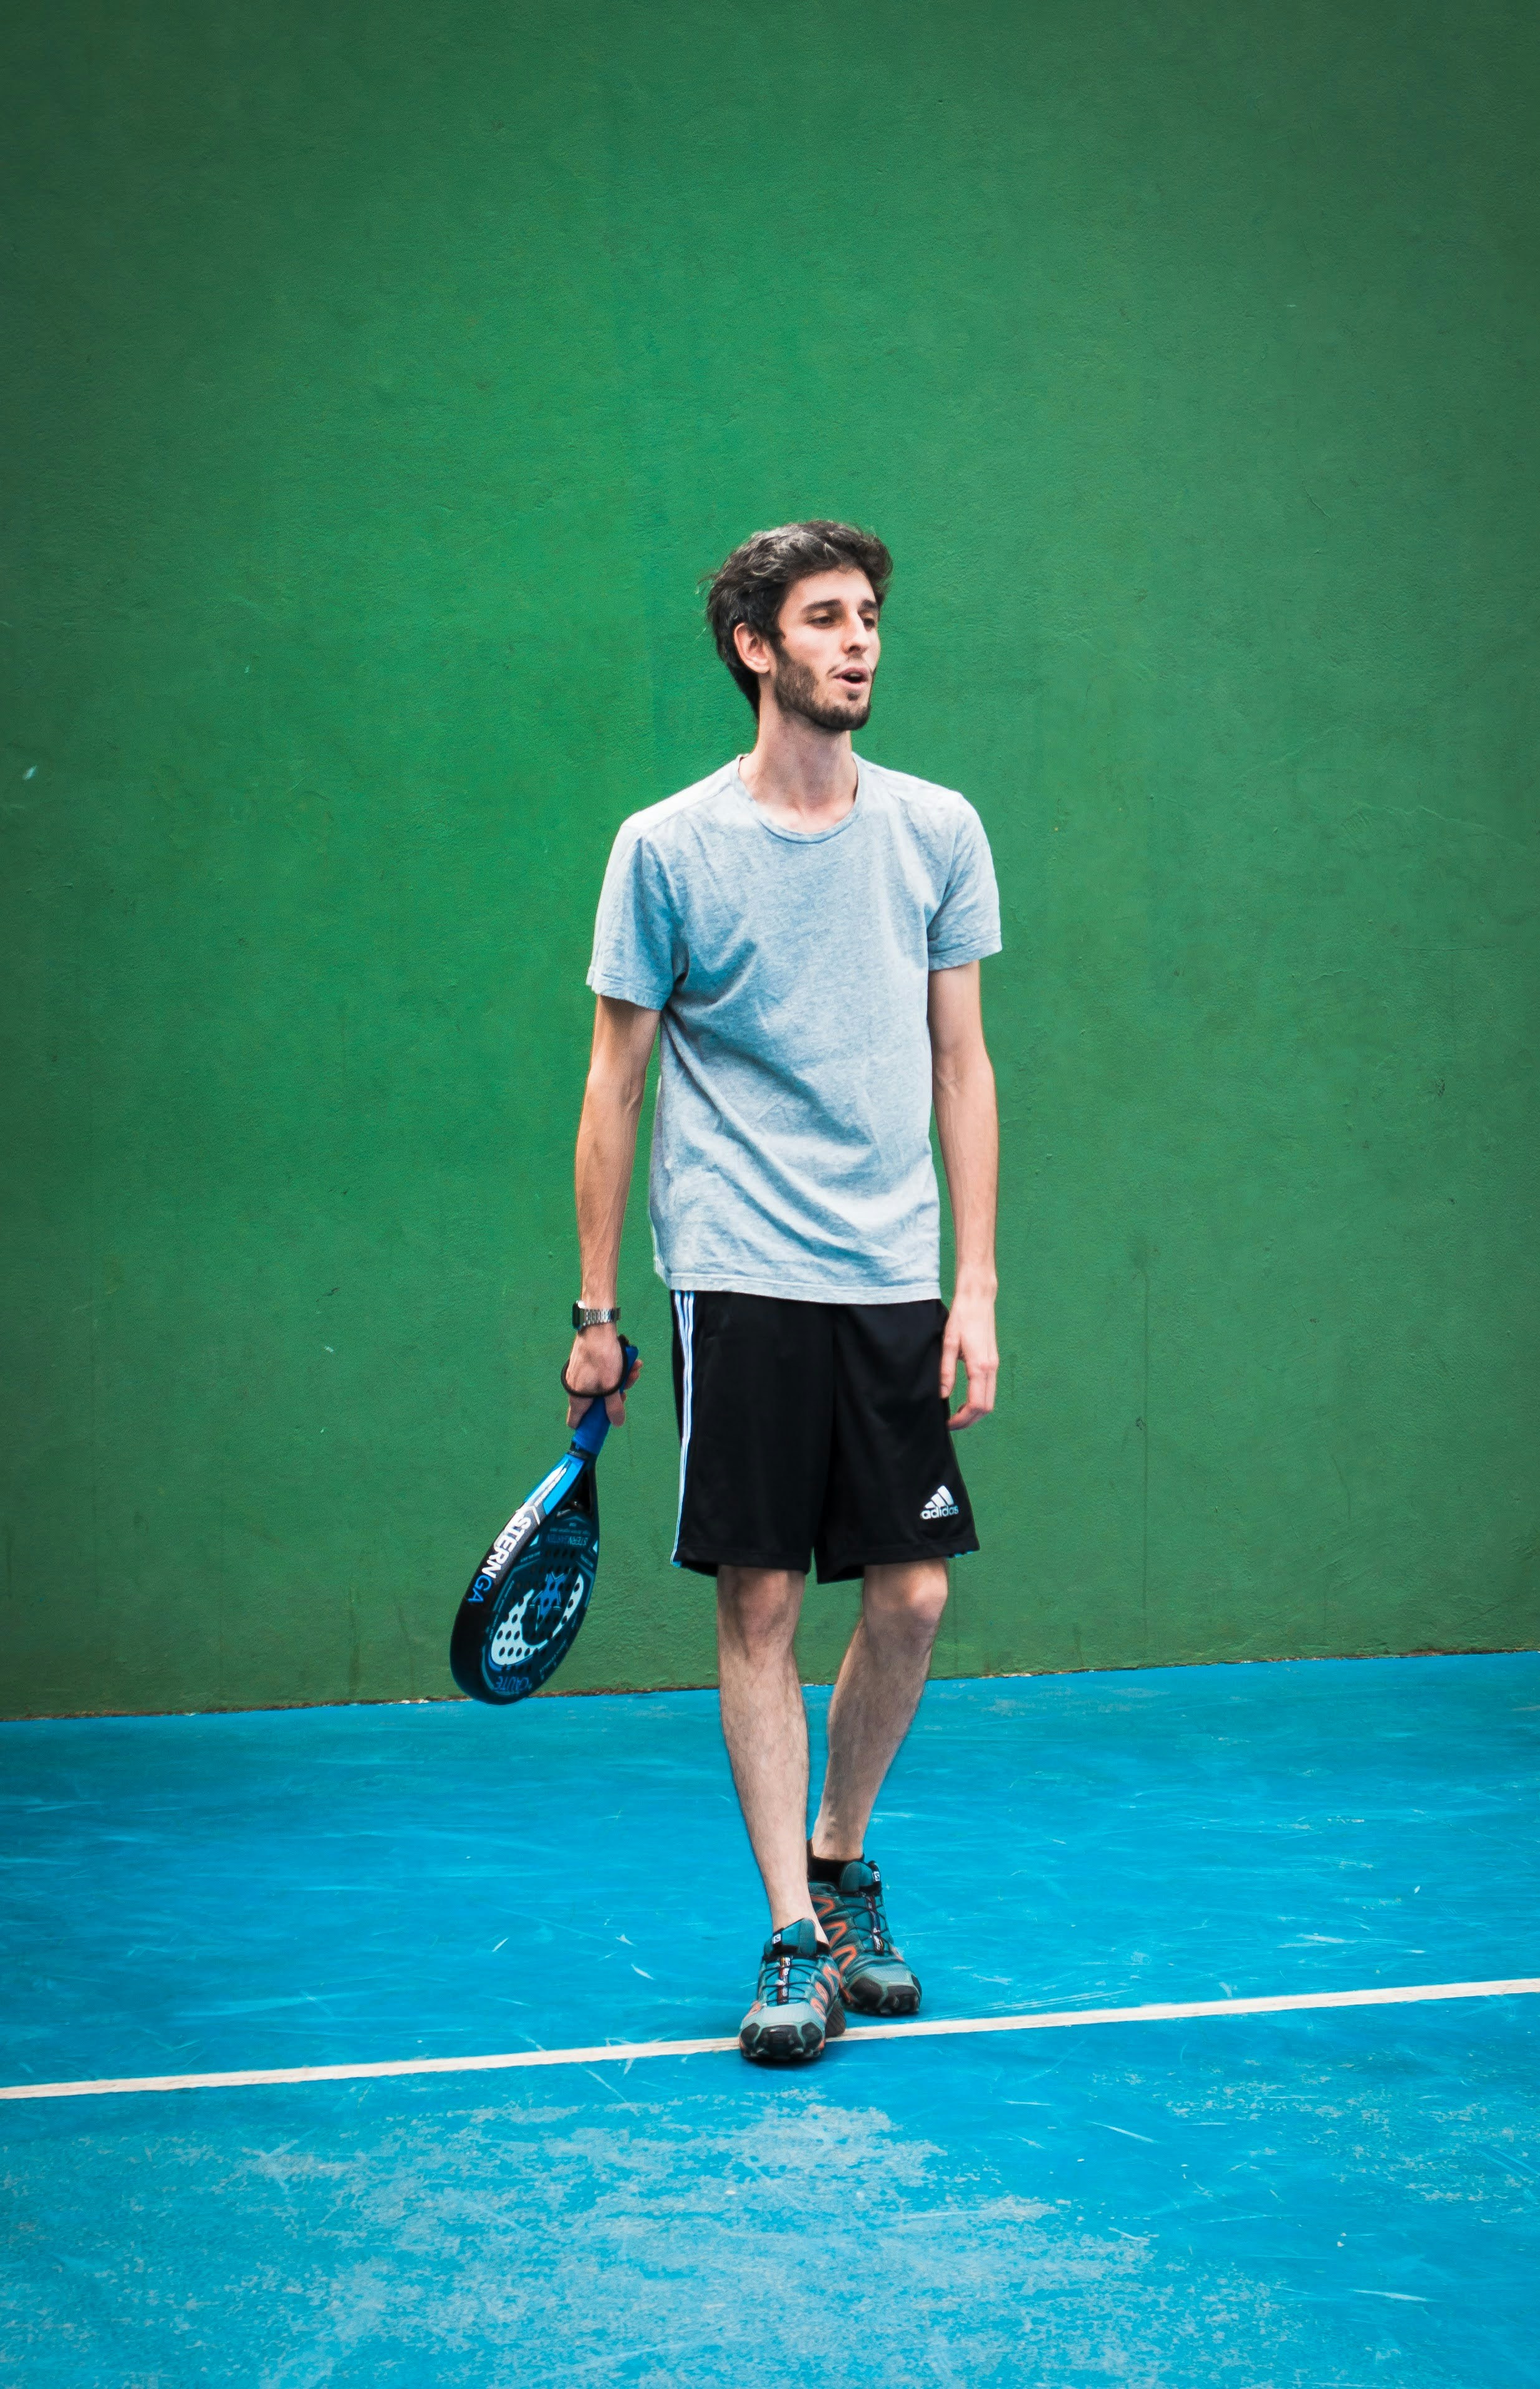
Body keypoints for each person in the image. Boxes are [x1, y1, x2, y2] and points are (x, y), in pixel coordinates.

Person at [563, 520, 1001, 2066]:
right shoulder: (666, 847)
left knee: (916, 1592)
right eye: (826, 619)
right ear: (759, 647)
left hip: (889, 1271)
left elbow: (964, 1061)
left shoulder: (938, 829)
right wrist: (597, 1308)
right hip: (739, 1269)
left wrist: (977, 1280)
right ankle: (788, 1935)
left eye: (871, 616)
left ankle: (841, 1850)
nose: (860, 641)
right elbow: (614, 1085)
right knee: (759, 1602)